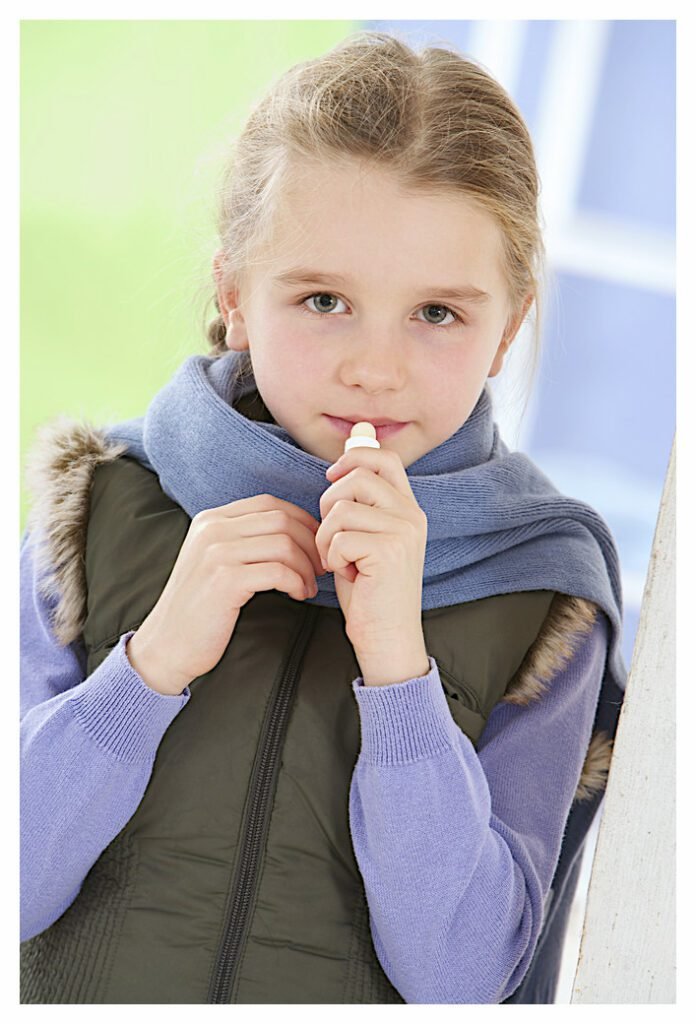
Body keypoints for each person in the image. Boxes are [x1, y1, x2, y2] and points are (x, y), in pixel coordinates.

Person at [20, 31, 628, 1004]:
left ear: (506, 330)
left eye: (437, 314)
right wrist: (149, 667)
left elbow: (465, 978)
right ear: (234, 296)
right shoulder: (99, 507)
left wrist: (399, 670)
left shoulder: (544, 595)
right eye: (323, 299)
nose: (375, 369)